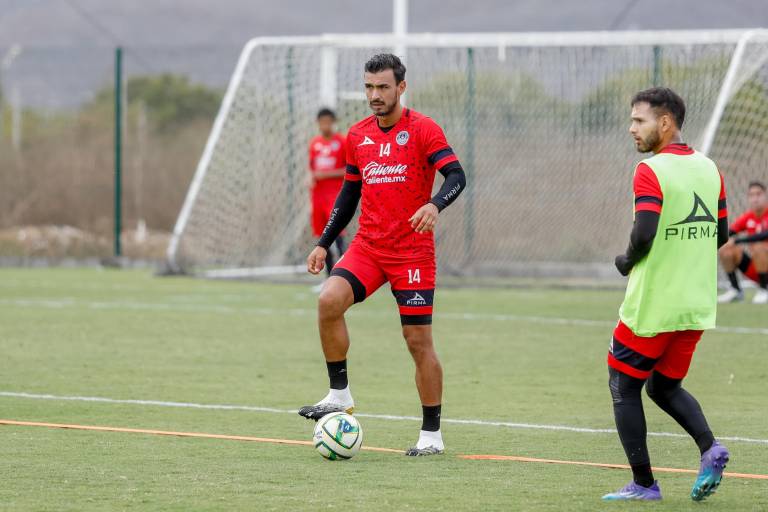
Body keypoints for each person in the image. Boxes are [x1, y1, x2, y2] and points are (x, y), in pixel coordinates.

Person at [298, 53, 467, 456]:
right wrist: (324, 242)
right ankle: (339, 394)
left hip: (411, 254)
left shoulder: (423, 130)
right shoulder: (357, 136)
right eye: (369, 87)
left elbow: (457, 175)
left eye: (383, 87)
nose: (374, 95)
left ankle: (431, 436)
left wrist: (435, 205)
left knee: (417, 341)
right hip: (369, 248)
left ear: (401, 88)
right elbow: (349, 193)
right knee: (328, 300)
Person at [603, 87, 730, 502]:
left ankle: (644, 485)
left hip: (653, 304)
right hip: (696, 304)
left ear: (665, 122)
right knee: (662, 386)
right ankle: (711, 448)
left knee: (623, 385)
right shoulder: (711, 169)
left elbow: (644, 232)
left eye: (638, 121)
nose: (631, 128)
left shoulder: (650, 170)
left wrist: (626, 260)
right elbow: (721, 234)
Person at [308, 108, 347, 288]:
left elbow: (350, 170)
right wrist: (309, 178)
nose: (325, 125)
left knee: (336, 238)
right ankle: (329, 281)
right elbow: (312, 170)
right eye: (322, 122)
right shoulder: (314, 144)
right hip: (318, 197)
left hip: (335, 196)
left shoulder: (342, 142)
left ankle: (345, 278)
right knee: (322, 242)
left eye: (328, 122)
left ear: (333, 121)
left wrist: (327, 174)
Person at [717, 180, 768, 304]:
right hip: (757, 269)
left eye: (758, 194)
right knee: (726, 248)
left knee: (759, 246)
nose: (755, 199)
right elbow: (729, 232)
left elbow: (763, 235)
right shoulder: (748, 217)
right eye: (751, 195)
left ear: (765, 195)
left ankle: (763, 290)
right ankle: (735, 290)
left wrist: (738, 240)